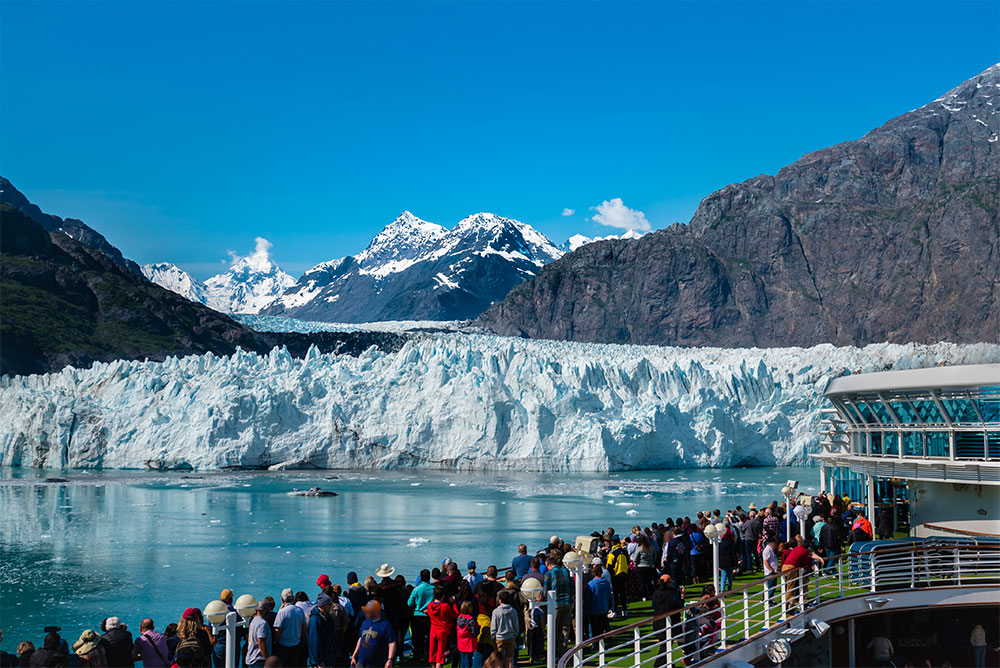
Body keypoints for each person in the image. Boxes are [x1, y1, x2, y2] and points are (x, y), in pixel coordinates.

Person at [651, 575, 684, 668]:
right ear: (668, 583)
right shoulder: (672, 593)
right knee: (666, 645)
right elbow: (679, 604)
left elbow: (653, 605)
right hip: (670, 622)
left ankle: (668, 664)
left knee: (665, 644)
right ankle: (658, 665)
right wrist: (682, 596)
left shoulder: (656, 593)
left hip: (658, 621)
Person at [543, 555, 573, 656]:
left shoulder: (549, 574)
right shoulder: (566, 571)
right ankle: (563, 651)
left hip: (555, 604)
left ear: (549, 564)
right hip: (567, 602)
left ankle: (552, 652)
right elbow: (572, 586)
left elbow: (545, 591)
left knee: (553, 628)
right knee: (565, 628)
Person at [352, 601, 395, 668]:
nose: (365, 613)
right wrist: (354, 655)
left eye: (368, 611)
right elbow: (360, 639)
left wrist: (390, 659)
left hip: (376, 664)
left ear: (375, 612)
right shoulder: (365, 622)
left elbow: (392, 642)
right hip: (361, 663)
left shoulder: (385, 625)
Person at [273, 588, 307, 667]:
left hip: (283, 645)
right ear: (293, 598)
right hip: (296, 644)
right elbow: (304, 627)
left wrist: (276, 641)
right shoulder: (299, 610)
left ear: (282, 599)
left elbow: (277, 630)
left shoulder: (282, 612)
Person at [407, 569, 434, 662]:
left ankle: (417, 655)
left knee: (418, 637)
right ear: (429, 577)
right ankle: (429, 655)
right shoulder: (433, 589)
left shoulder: (416, 589)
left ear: (421, 578)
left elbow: (410, 603)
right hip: (430, 616)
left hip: (418, 615)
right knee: (430, 636)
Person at [426, 586, 457, 668]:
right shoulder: (445, 606)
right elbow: (454, 615)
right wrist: (454, 604)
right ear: (443, 596)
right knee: (440, 654)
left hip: (433, 630)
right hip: (443, 631)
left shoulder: (429, 606)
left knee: (432, 652)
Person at [308, 593, 338, 668]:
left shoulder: (327, 616)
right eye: (329, 604)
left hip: (327, 657)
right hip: (321, 662)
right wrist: (318, 662)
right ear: (323, 605)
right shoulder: (315, 620)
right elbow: (314, 642)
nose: (331, 606)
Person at [490, 590, 518, 666]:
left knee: (499, 658)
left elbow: (493, 625)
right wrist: (515, 634)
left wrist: (492, 636)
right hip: (510, 636)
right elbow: (516, 624)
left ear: (500, 600)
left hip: (500, 637)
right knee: (510, 658)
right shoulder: (513, 611)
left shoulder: (496, 612)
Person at [585, 563, 613, 639]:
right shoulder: (606, 582)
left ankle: (594, 643)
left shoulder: (591, 584)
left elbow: (588, 597)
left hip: (593, 609)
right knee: (601, 627)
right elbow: (609, 595)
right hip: (603, 607)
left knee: (593, 628)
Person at [606, 539, 630, 617]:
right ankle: (624, 610)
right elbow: (629, 561)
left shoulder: (612, 552)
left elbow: (609, 565)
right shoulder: (625, 551)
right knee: (623, 593)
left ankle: (615, 611)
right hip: (624, 573)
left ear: (612, 543)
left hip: (615, 575)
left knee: (615, 594)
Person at [247, 601, 273, 668]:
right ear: (265, 610)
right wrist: (268, 660)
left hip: (251, 657)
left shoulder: (254, 621)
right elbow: (261, 643)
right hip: (258, 659)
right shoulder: (262, 623)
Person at [455, 601, 479, 668]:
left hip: (461, 642)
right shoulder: (471, 620)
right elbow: (474, 633)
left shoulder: (459, 618)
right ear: (470, 609)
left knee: (462, 661)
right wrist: (478, 628)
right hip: (469, 643)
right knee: (468, 662)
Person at [718, 527, 739, 591]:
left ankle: (722, 590)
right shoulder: (732, 543)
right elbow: (733, 554)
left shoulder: (720, 543)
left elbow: (718, 554)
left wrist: (718, 564)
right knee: (730, 576)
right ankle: (729, 589)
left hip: (722, 562)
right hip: (730, 561)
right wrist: (736, 564)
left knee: (723, 577)